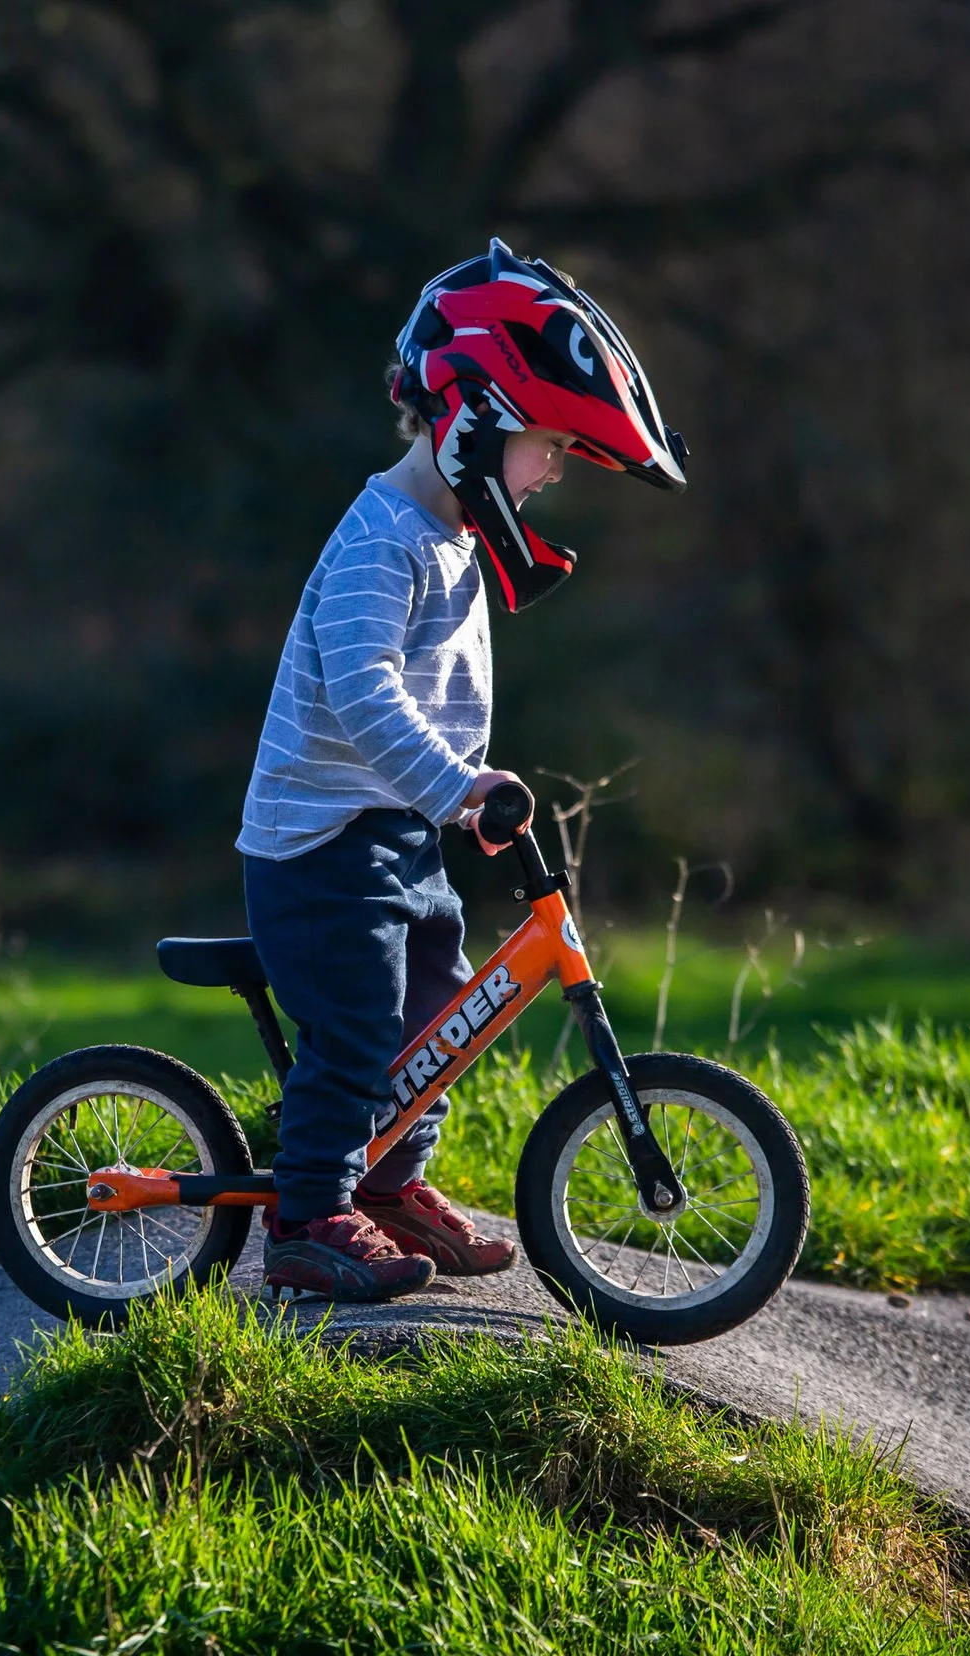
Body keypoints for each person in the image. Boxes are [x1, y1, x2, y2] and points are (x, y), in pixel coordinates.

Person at [237, 239, 690, 1301]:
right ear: (476, 420)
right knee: (355, 1029)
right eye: (548, 446)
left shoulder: (446, 532)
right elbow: (363, 692)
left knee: (436, 1014)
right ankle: (305, 1216)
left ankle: (389, 1187)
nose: (552, 471)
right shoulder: (379, 541)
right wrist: (455, 785)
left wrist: (462, 790)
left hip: (394, 829)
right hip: (321, 847)